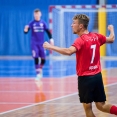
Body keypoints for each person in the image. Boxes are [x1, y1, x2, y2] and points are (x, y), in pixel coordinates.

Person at [43, 14, 117, 117]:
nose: (71, 25)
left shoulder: (80, 40)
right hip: (97, 76)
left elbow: (69, 51)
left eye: (74, 23)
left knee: (88, 108)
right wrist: (111, 29)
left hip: (85, 78)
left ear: (81, 26)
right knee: (101, 105)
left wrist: (51, 47)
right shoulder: (96, 36)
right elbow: (112, 39)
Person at [24, 9, 54, 80]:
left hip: (41, 44)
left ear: (40, 14)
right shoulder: (31, 23)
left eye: (38, 14)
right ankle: (38, 74)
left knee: (43, 59)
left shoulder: (43, 23)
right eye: (35, 14)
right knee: (36, 57)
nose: (37, 15)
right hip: (34, 43)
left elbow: (48, 31)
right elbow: (26, 31)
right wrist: (25, 30)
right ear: (34, 15)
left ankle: (40, 69)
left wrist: (51, 39)